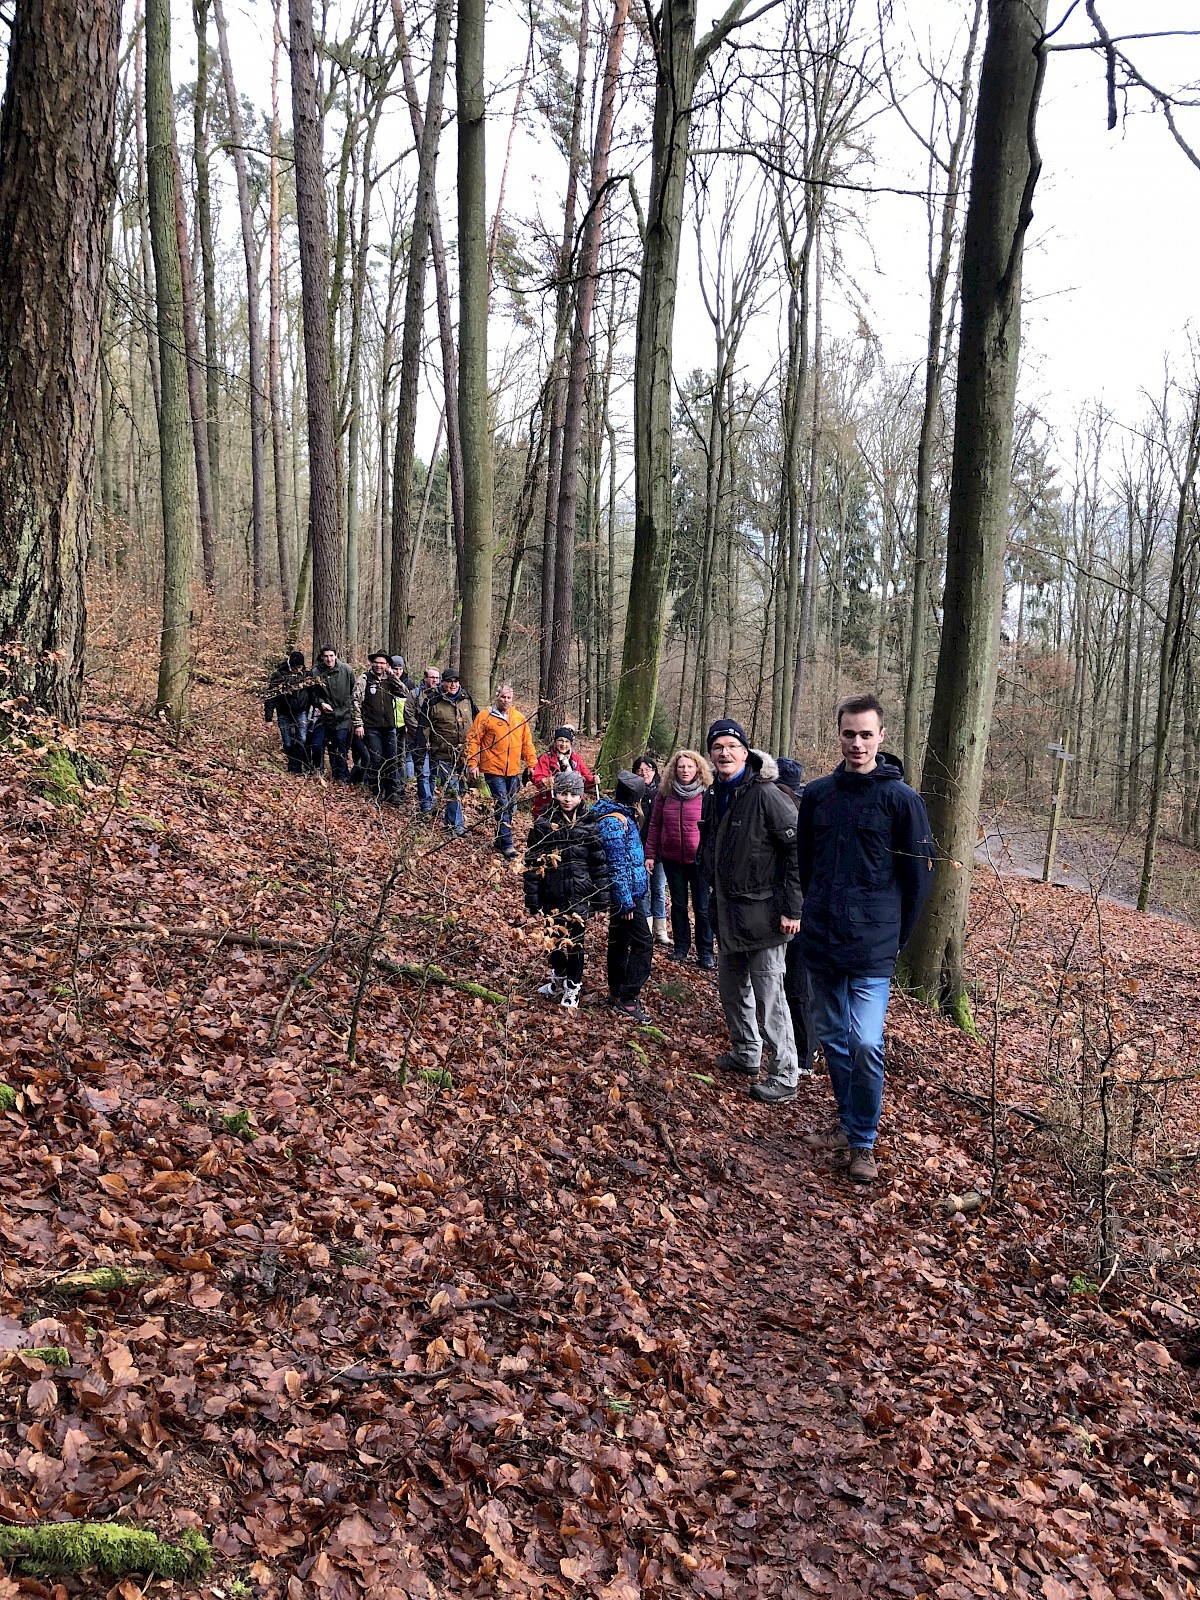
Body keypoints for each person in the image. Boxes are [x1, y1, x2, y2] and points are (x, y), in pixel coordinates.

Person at [797, 694, 934, 1185]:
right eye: (848, 733)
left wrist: (896, 939)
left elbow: (918, 880)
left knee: (865, 1042)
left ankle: (864, 1142)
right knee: (833, 1040)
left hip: (874, 945)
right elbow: (806, 865)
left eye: (865, 734)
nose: (856, 742)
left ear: (881, 737)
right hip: (822, 940)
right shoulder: (816, 795)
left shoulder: (903, 801)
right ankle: (848, 1125)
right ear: (838, 735)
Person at [699, 718, 803, 1105]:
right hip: (728, 914)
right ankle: (746, 1053)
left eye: (731, 746)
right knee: (731, 989)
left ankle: (786, 1073)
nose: (724, 753)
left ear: (746, 752)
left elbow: (796, 851)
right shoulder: (716, 793)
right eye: (717, 747)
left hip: (766, 915)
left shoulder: (766, 794)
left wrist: (793, 908)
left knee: (770, 996)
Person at [523, 770, 610, 1009]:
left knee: (575, 943)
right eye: (563, 793)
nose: (567, 799)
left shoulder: (590, 824)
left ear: (581, 797)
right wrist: (532, 898)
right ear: (555, 794)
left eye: (573, 794)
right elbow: (532, 863)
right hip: (552, 893)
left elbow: (599, 864)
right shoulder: (543, 824)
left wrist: (601, 901)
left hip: (580, 895)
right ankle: (558, 979)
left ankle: (573, 987)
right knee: (553, 939)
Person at [590, 771, 655, 1023]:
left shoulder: (621, 816)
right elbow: (616, 864)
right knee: (642, 944)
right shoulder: (615, 822)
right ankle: (628, 999)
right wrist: (625, 900)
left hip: (630, 892)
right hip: (626, 896)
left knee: (619, 941)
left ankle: (617, 993)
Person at [644, 748, 714, 967]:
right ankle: (681, 947)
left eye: (690, 766)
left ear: (698, 769)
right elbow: (655, 824)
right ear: (674, 769)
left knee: (702, 907)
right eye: (681, 766)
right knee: (679, 904)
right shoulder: (664, 793)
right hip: (672, 858)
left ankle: (706, 952)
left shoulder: (707, 792)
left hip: (699, 860)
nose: (685, 770)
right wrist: (650, 854)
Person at [775, 756, 819, 1076]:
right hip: (797, 907)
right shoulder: (803, 807)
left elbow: (799, 869)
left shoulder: (798, 815)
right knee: (795, 982)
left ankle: (805, 1053)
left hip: (800, 911)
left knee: (798, 983)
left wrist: (795, 910)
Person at [464, 683, 537, 859]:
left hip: (513, 770)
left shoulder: (519, 718)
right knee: (503, 804)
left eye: (508, 697)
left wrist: (531, 763)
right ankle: (507, 844)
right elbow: (473, 740)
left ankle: (500, 837)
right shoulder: (485, 716)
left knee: (509, 806)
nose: (505, 700)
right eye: (502, 697)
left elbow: (527, 742)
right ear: (497, 697)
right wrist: (472, 762)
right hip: (492, 768)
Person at [424, 667, 476, 835]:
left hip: (464, 754)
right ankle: (457, 827)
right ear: (443, 683)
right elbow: (424, 727)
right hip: (443, 752)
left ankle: (449, 822)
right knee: (452, 789)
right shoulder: (433, 701)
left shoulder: (466, 698)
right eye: (449, 682)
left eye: (455, 681)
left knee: (459, 788)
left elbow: (477, 722)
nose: (453, 685)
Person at [353, 651, 406, 805]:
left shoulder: (390, 681)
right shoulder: (365, 679)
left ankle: (391, 792)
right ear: (372, 663)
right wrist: (358, 723)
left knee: (391, 759)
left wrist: (393, 676)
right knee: (376, 759)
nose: (379, 665)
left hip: (389, 727)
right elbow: (356, 701)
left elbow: (403, 692)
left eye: (382, 663)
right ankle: (375, 791)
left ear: (386, 665)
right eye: (376, 662)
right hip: (371, 727)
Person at [633, 756, 670, 944]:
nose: (644, 774)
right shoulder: (633, 794)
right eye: (640, 771)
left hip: (661, 851)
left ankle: (660, 929)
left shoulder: (663, 793)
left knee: (658, 889)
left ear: (655, 771)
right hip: (639, 849)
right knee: (644, 889)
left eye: (648, 769)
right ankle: (645, 927)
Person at [311, 646, 358, 783]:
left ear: (336, 656)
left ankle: (342, 775)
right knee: (319, 744)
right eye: (326, 656)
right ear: (322, 657)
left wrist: (345, 711)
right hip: (325, 716)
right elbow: (313, 695)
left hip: (344, 715)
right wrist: (320, 704)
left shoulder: (346, 670)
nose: (329, 659)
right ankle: (320, 771)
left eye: (331, 656)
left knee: (340, 742)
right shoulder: (316, 672)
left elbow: (353, 693)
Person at [529, 727, 598, 820]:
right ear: (555, 742)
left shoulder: (575, 759)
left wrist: (593, 780)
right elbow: (537, 777)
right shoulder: (546, 758)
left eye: (567, 741)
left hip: (572, 803)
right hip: (550, 802)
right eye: (560, 741)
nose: (563, 744)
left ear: (570, 743)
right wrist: (545, 781)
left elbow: (585, 777)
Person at [264, 650, 314, 774]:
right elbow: (270, 696)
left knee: (301, 738)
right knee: (287, 742)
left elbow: (313, 693)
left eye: (300, 667)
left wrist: (315, 708)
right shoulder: (279, 675)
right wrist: (268, 718)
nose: (298, 669)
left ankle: (296, 767)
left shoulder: (306, 675)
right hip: (283, 712)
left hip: (301, 711)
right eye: (296, 667)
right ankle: (292, 764)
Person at [411, 666, 442, 814]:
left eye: (437, 678)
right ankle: (426, 805)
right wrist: (423, 735)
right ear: (425, 678)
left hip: (437, 742)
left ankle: (431, 800)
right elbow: (408, 715)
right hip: (419, 741)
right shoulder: (415, 694)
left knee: (433, 774)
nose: (434, 681)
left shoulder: (442, 696)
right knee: (423, 773)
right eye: (432, 677)